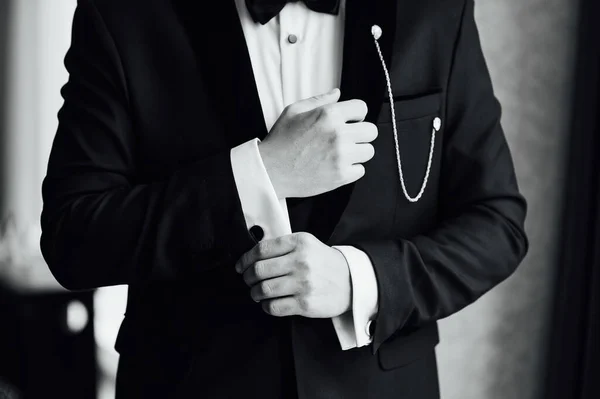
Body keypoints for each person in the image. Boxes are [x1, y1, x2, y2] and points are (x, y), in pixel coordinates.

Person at [40, 0, 529, 397]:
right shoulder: (123, 13)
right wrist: (262, 173)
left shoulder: (436, 10)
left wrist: (361, 281)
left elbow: (497, 223)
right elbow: (73, 236)